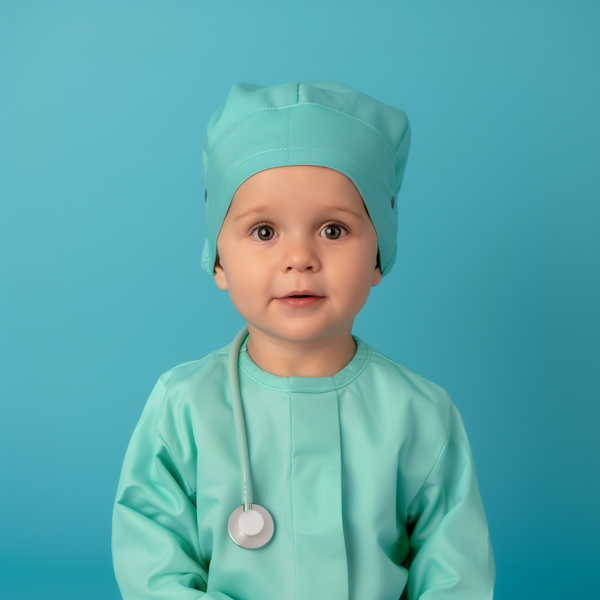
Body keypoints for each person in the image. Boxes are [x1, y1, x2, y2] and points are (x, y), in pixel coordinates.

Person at [111, 81, 496, 599]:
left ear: (378, 257)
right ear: (218, 261)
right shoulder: (183, 407)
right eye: (264, 231)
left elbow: (455, 571)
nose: (301, 258)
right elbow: (153, 557)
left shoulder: (421, 413)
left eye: (333, 231)